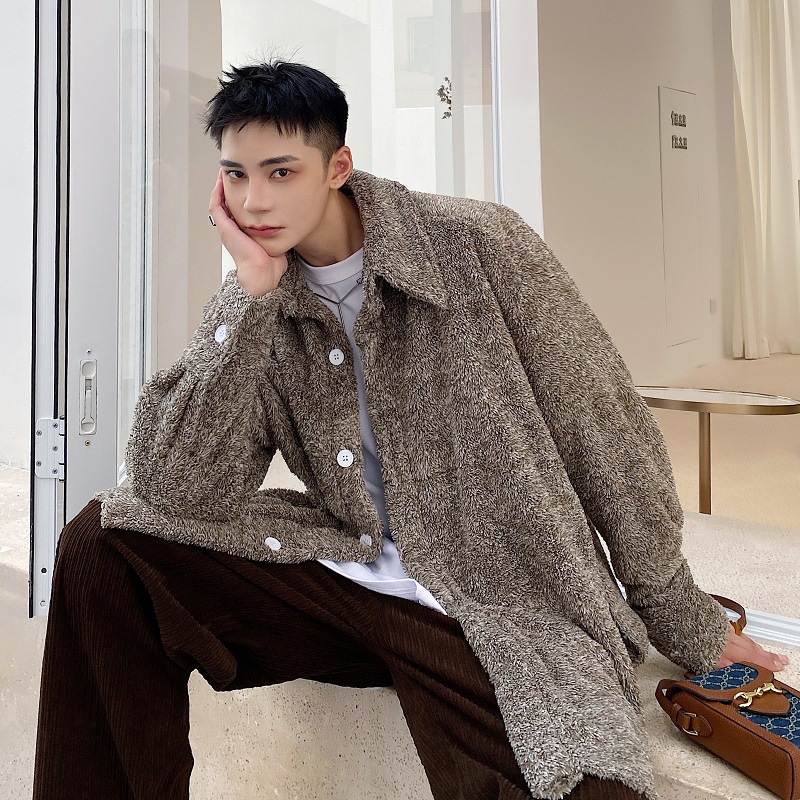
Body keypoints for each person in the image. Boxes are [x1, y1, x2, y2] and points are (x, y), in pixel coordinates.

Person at [33, 61, 788, 800]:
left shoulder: (477, 243)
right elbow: (176, 492)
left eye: (281, 171)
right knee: (105, 544)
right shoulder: (261, 299)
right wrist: (248, 297)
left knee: (583, 778)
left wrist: (680, 616)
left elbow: (605, 431)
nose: (255, 200)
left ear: (337, 167)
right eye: (236, 175)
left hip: (500, 604)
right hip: (346, 578)